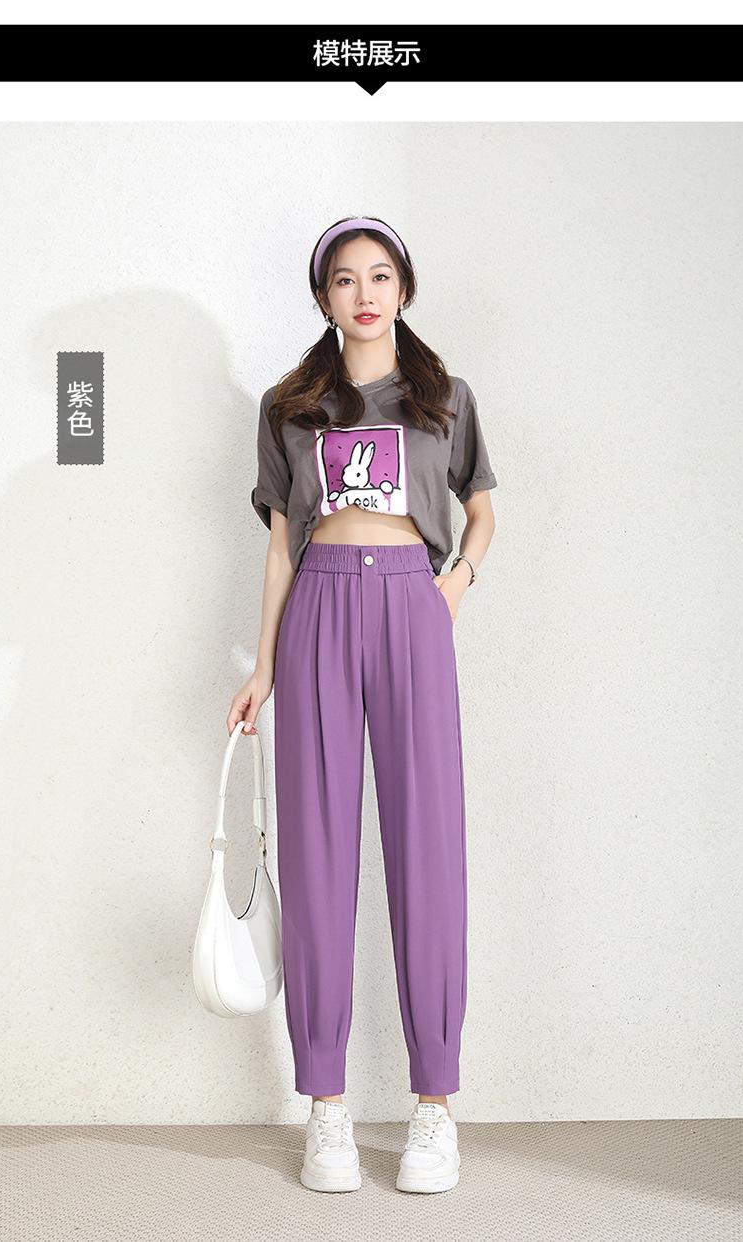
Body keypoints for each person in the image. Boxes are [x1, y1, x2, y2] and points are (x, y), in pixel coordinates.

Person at [227, 215, 497, 1194]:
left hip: (414, 609)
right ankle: (327, 1111)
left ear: (404, 289)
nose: (365, 293)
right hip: (319, 611)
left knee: (429, 851)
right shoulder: (290, 406)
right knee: (316, 856)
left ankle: (435, 1108)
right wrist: (262, 664)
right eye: (345, 279)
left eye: (381, 276)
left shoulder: (445, 397)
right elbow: (279, 545)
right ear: (324, 298)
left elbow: (481, 507)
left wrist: (453, 585)